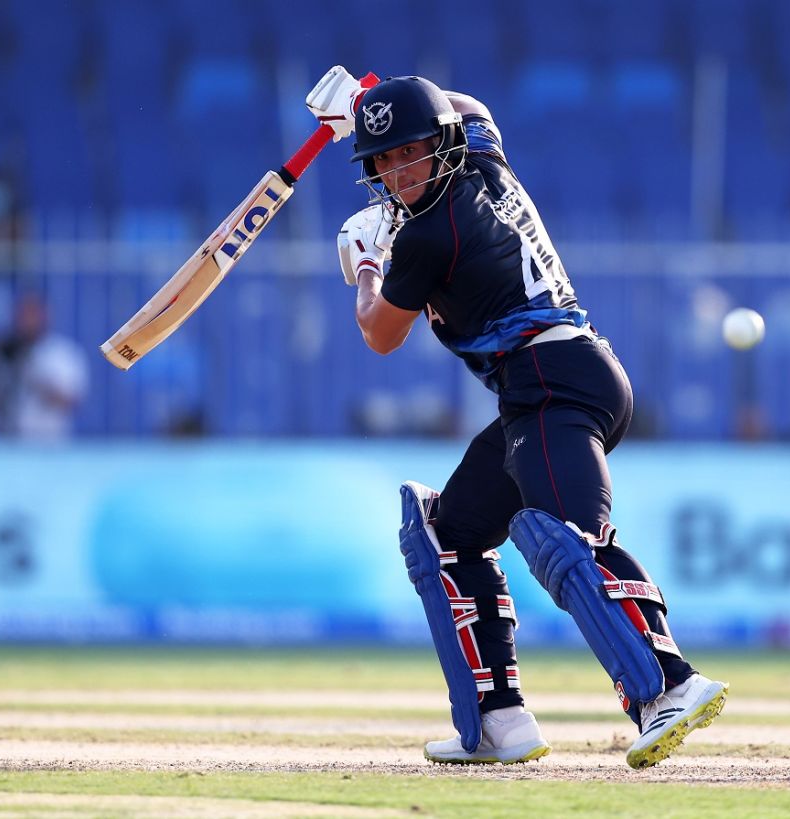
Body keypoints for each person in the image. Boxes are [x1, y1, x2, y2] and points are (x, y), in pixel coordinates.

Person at [305, 67, 728, 768]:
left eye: (411, 151)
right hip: (549, 383)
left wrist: (366, 265)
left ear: (440, 144)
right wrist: (363, 106)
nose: (400, 171)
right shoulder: (483, 153)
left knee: (560, 535)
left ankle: (671, 687)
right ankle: (500, 721)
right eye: (384, 159)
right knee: (447, 533)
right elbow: (471, 105)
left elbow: (380, 333)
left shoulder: (427, 237)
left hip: (553, 380)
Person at [0, 293, 87, 441]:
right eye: (23, 315)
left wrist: (34, 375)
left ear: (45, 317)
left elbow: (71, 402)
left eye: (33, 315)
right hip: (4, 444)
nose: (27, 321)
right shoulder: (1, 351)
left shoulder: (61, 353)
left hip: (49, 444)